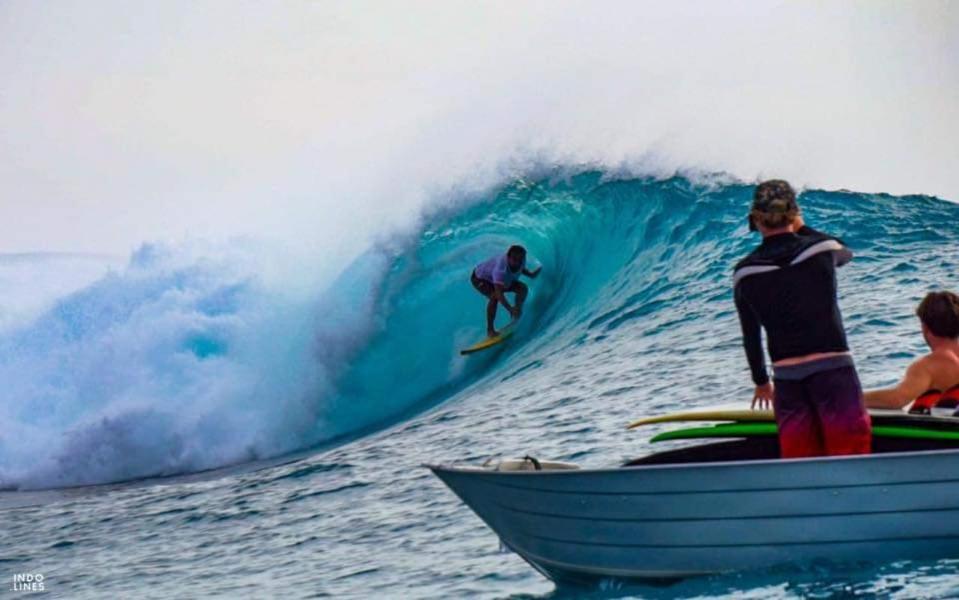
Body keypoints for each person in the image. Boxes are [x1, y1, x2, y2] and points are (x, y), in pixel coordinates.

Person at [733, 179, 871, 458]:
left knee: (800, 462)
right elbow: (846, 253)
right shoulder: (821, 250)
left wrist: (761, 382)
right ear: (794, 214)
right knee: (850, 456)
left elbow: (751, 336)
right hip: (833, 371)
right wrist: (802, 227)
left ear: (756, 219)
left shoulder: (744, 273)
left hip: (787, 380)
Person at [864, 291, 959, 414]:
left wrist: (852, 398)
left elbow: (897, 400)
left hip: (935, 431)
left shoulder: (928, 366)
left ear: (925, 327)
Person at [471, 245, 541, 337]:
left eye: (520, 259)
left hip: (499, 279)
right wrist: (509, 308)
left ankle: (517, 313)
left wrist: (530, 274)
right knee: (494, 296)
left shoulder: (521, 260)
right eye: (514, 259)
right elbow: (499, 294)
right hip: (480, 278)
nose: (517, 262)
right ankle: (490, 330)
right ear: (508, 257)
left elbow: (521, 267)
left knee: (522, 288)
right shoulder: (500, 270)